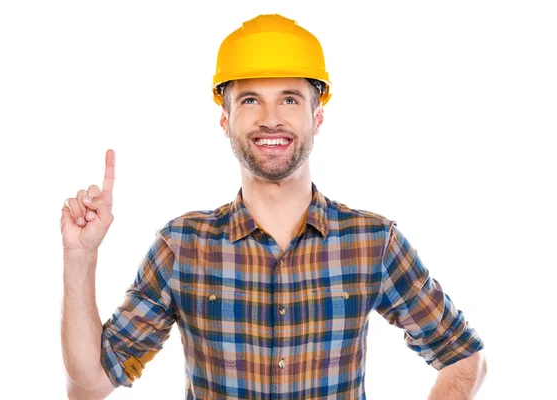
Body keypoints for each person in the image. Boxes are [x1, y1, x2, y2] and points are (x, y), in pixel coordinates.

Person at [61, 14, 487, 400]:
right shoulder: (182, 247)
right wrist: (81, 258)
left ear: (317, 116)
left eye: (289, 99)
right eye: (249, 100)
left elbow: (464, 357)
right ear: (225, 120)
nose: (270, 119)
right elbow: (92, 383)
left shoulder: (373, 243)